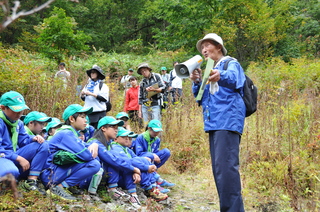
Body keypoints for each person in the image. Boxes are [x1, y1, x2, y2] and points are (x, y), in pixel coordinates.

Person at [190, 33, 246, 211]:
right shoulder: (210, 69)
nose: (204, 50)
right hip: (214, 123)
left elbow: (235, 79)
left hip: (227, 121)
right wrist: (197, 82)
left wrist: (219, 74)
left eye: (207, 45)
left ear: (219, 47)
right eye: (202, 47)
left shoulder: (230, 63)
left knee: (227, 170)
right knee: (220, 171)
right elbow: (201, 98)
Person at [40, 104, 100, 201]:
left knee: (93, 162)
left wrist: (94, 144)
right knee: (94, 164)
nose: (86, 120)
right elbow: (87, 155)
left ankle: (63, 186)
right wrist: (92, 147)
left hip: (54, 172)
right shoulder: (66, 133)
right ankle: (59, 188)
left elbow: (89, 152)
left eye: (86, 117)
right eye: (82, 117)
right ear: (72, 119)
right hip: (50, 175)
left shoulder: (71, 133)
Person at [0, 91, 48, 195]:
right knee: (11, 172)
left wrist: (33, 138)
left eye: (21, 110)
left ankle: (31, 180)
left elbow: (23, 141)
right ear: (3, 108)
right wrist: (19, 158)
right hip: (3, 157)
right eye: (15, 110)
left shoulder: (19, 123)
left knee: (43, 145)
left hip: (13, 155)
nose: (20, 113)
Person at [108, 127, 168, 206]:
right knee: (141, 163)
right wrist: (144, 168)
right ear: (115, 139)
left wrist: (137, 170)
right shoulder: (115, 148)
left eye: (129, 138)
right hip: (119, 177)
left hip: (127, 173)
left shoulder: (126, 149)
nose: (128, 140)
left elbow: (135, 159)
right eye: (124, 137)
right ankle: (148, 189)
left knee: (143, 160)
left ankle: (153, 186)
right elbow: (129, 162)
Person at [132, 119, 175, 188]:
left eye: (158, 131)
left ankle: (153, 170)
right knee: (149, 157)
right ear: (149, 128)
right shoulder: (140, 137)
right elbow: (138, 154)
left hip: (151, 159)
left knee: (166, 152)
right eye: (155, 131)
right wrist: (152, 155)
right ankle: (155, 178)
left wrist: (153, 155)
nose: (156, 133)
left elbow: (155, 151)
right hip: (141, 160)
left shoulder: (157, 139)